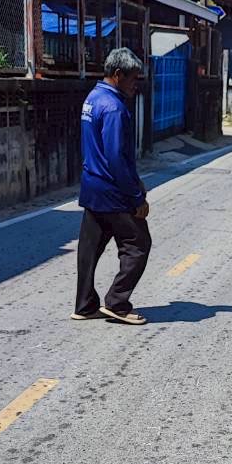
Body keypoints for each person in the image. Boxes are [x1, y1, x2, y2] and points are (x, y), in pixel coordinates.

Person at [72, 47, 151, 325]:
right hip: (113, 190)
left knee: (90, 248)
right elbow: (117, 157)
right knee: (138, 244)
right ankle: (117, 303)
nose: (135, 84)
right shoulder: (115, 108)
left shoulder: (92, 99)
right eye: (132, 78)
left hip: (91, 185)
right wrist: (136, 196)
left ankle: (84, 305)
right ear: (117, 75)